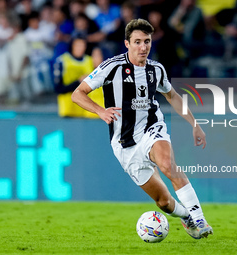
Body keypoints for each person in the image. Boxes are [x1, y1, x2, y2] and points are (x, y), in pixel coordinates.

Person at [71, 18, 213, 239]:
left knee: (168, 164)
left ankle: (200, 219)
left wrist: (194, 124)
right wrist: (100, 111)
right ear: (127, 44)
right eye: (137, 42)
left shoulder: (156, 69)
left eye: (147, 41)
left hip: (151, 128)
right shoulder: (111, 67)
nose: (143, 47)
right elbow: (77, 94)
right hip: (125, 144)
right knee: (164, 202)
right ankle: (186, 217)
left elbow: (172, 95)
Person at [54, 35, 104, 118]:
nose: (80, 48)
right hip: (68, 109)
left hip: (85, 111)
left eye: (83, 45)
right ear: (72, 45)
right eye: (77, 45)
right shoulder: (62, 61)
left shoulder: (89, 60)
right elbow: (58, 88)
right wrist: (78, 82)